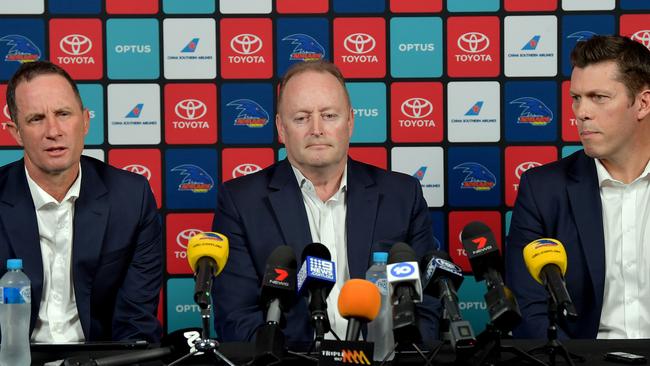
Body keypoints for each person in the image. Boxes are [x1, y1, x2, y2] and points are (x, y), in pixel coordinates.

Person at [212, 60, 440, 346]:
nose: (317, 129)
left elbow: (426, 307)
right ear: (281, 128)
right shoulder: (241, 202)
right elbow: (237, 317)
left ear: (350, 122)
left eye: (329, 115)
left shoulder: (402, 195)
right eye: (301, 118)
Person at [0, 61, 162, 342]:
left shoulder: (131, 198)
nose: (53, 130)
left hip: (101, 361)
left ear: (85, 121)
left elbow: (135, 322)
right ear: (15, 132)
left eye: (63, 114)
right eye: (36, 119)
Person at [506, 35, 650, 339]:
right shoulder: (543, 190)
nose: (582, 112)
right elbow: (528, 310)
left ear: (642, 103)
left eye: (599, 97)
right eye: (576, 98)